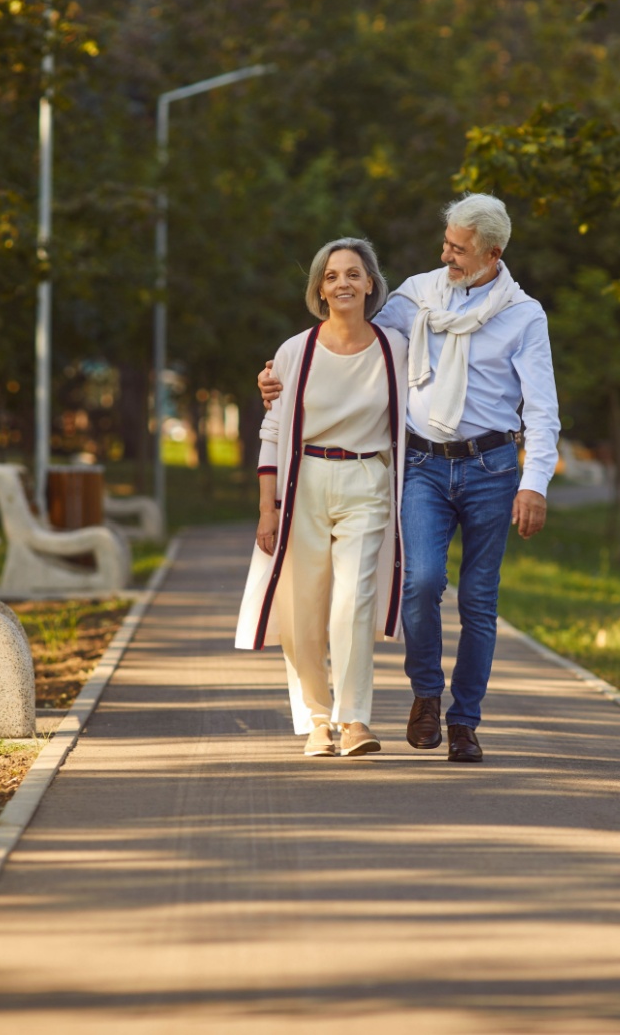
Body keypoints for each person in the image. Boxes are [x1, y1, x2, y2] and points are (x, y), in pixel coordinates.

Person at [261, 194, 559, 763]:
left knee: (478, 599)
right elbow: (351, 342)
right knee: (421, 585)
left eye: (459, 248)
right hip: (422, 463)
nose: (446, 253)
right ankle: (426, 692)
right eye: (445, 242)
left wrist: (535, 483)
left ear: (491, 253)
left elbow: (542, 408)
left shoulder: (524, 315)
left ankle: (465, 719)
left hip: (492, 466)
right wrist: (279, 378)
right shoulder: (418, 295)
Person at [235, 237, 409, 758]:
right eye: (332, 276)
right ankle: (316, 720)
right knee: (301, 608)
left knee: (352, 601)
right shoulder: (296, 351)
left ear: (371, 284)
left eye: (353, 274)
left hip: (367, 480)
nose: (343, 284)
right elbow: (272, 431)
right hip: (303, 482)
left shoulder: (395, 348)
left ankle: (354, 720)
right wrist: (267, 510)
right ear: (319, 289)